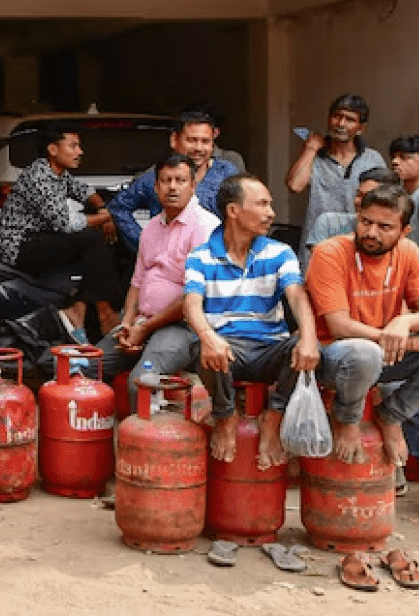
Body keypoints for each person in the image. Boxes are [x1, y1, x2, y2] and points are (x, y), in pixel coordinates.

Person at [306, 184, 419, 472]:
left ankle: (392, 414)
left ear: (404, 231)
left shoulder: (408, 252)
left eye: (385, 227)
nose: (371, 233)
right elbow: (339, 326)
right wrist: (412, 343)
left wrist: (404, 321)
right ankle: (346, 419)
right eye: (366, 222)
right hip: (336, 359)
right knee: (365, 353)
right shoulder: (329, 252)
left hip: (387, 354)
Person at [183, 175, 320, 468]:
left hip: (270, 348)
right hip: (226, 348)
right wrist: (208, 336)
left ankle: (274, 416)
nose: (271, 213)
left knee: (304, 344)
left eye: (270, 205)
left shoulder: (279, 252)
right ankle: (225, 415)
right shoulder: (201, 256)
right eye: (262, 204)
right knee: (201, 346)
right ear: (233, 210)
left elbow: (297, 297)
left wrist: (309, 338)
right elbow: (191, 305)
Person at [95, 154, 219, 409]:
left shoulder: (206, 227)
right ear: (156, 187)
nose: (172, 187)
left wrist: (144, 329)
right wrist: (127, 324)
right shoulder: (151, 227)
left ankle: (141, 435)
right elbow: (137, 282)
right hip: (142, 321)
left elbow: (192, 297)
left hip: (183, 327)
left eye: (180, 180)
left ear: (193, 186)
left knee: (140, 384)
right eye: (166, 180)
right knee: (79, 367)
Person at [0, 123, 120, 340]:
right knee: (92, 238)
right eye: (73, 146)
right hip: (22, 245)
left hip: (43, 238)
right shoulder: (39, 176)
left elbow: (83, 190)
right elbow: (66, 223)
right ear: (53, 149)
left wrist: (101, 208)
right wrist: (107, 218)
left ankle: (81, 309)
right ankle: (104, 314)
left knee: (101, 245)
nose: (80, 152)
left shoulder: (60, 174)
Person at [108, 111, 237, 251]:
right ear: (174, 140)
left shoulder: (226, 173)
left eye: (205, 141)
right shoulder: (156, 177)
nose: (199, 148)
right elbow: (118, 207)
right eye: (192, 140)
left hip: (214, 259)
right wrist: (144, 243)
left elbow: (243, 213)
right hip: (165, 260)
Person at [286, 94, 386, 266]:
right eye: (337, 116)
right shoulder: (314, 157)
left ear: (361, 128)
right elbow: (295, 185)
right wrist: (310, 149)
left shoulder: (372, 159)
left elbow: (385, 204)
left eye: (349, 119)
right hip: (318, 247)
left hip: (359, 249)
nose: (341, 124)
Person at [304, 167, 401, 250]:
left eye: (368, 197)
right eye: (359, 195)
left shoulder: (394, 231)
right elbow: (320, 260)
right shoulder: (329, 222)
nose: (359, 201)